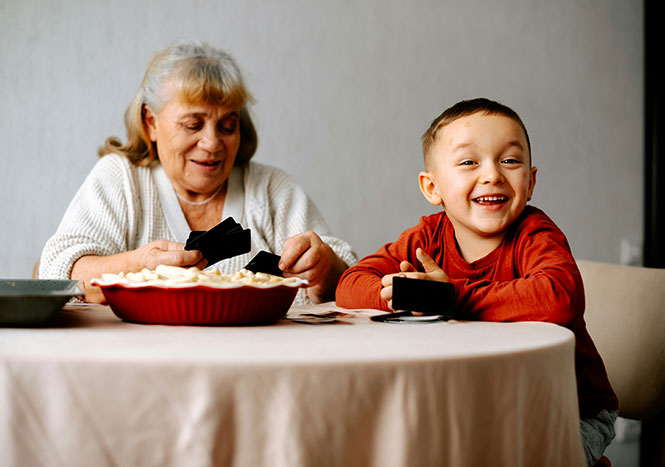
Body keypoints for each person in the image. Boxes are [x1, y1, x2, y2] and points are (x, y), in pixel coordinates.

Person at [335, 98, 618, 466]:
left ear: (530, 182)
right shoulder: (428, 238)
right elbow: (350, 283)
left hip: (570, 408)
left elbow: (559, 298)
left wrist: (450, 297)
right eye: (469, 162)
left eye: (510, 161)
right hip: (484, 404)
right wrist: (405, 294)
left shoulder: (534, 235)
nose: (492, 175)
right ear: (432, 187)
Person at [39, 42, 356, 304]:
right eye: (193, 124)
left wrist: (324, 268)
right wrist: (139, 266)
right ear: (150, 122)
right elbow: (55, 273)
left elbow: (349, 281)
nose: (212, 143)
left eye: (227, 126)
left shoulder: (271, 189)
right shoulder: (121, 179)